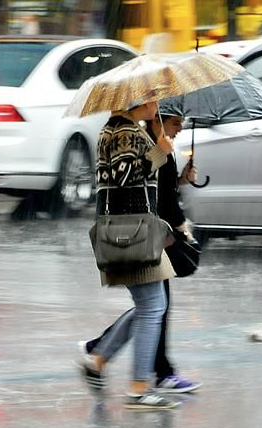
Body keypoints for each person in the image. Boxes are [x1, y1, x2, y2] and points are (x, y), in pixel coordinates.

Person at [80, 113, 203, 397]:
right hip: (131, 229)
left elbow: (143, 181)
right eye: (153, 99)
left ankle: (99, 359)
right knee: (152, 307)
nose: (156, 104)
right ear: (141, 101)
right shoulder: (123, 131)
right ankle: (138, 386)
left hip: (132, 228)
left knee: (150, 306)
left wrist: (174, 173)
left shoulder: (123, 130)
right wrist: (160, 151)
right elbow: (125, 176)